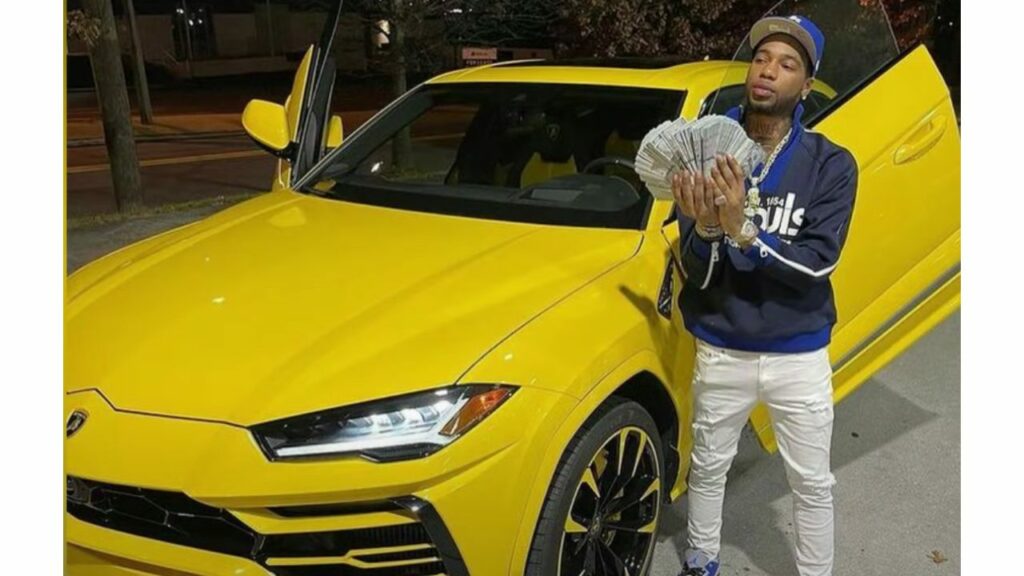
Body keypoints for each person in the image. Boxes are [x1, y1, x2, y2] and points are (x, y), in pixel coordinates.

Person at [670, 14, 858, 576]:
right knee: (707, 466)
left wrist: (742, 230)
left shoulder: (831, 163)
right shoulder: (706, 149)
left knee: (811, 481)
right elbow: (699, 277)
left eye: (787, 63)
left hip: (797, 351)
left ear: (806, 84)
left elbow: (818, 261)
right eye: (761, 58)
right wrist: (704, 228)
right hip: (722, 346)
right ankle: (702, 560)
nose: (768, 71)